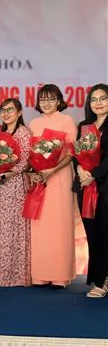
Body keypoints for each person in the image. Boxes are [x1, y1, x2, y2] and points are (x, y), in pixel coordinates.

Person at [29, 84, 77, 288]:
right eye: (43, 99)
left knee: (60, 224)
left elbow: (71, 153)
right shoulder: (34, 123)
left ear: (59, 101)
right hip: (40, 179)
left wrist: (53, 169)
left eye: (51, 99)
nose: (46, 103)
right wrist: (34, 171)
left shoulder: (67, 121)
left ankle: (60, 275)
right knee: (39, 225)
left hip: (60, 177)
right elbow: (30, 153)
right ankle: (39, 274)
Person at [0, 98, 32, 287]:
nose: (6, 114)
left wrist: (4, 174)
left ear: (19, 112)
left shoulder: (23, 133)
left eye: (10, 110)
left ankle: (17, 275)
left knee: (16, 228)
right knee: (3, 229)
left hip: (16, 185)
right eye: (2, 110)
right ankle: (3, 274)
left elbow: (24, 162)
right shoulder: (0, 133)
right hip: (1, 187)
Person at [74, 84, 108, 297]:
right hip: (85, 187)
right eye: (93, 99)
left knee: (105, 233)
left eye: (103, 98)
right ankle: (98, 278)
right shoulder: (84, 126)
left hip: (104, 186)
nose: (98, 103)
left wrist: (93, 174)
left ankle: (104, 282)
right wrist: (80, 171)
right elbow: (76, 154)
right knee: (92, 234)